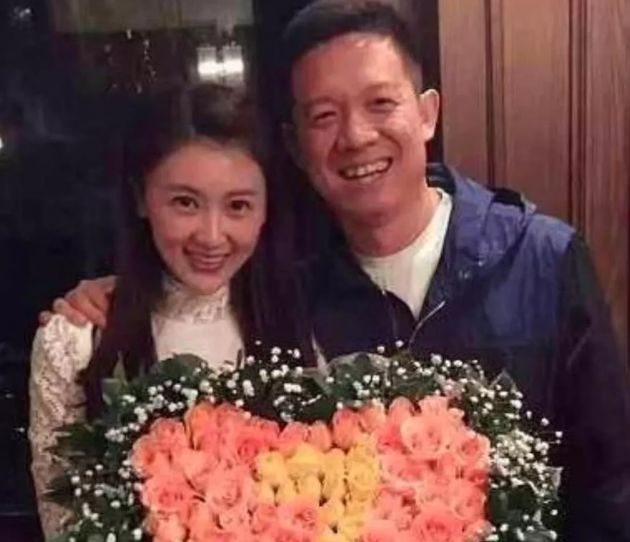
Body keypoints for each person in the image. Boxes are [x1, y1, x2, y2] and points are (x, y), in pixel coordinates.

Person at [41, 1, 630, 540]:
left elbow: (609, 486)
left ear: (427, 113)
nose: (355, 136)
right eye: (324, 116)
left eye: (381, 103)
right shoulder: (290, 283)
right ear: (297, 147)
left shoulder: (540, 258)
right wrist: (115, 298)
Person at [28, 83, 303, 539]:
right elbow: (64, 527)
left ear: (265, 210)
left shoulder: (300, 320)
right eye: (185, 203)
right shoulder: (76, 339)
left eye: (238, 206)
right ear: (141, 198)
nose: (211, 236)